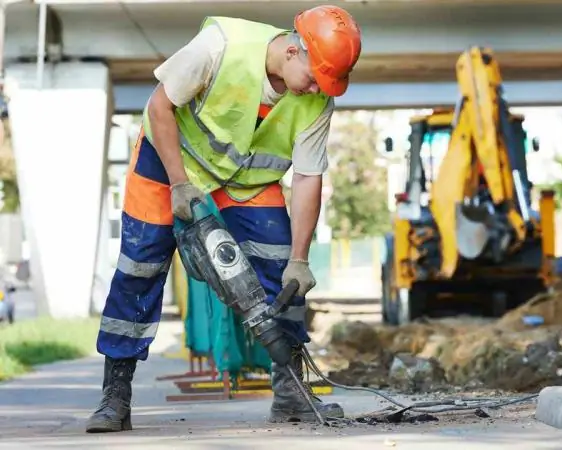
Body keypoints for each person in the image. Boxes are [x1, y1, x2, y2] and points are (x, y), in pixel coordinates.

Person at [86, 5, 362, 433]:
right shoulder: (221, 45)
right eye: (315, 77)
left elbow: (309, 178)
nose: (316, 89)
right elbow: (160, 107)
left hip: (245, 179)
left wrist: (301, 259)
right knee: (139, 269)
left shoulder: (317, 98)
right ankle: (115, 397)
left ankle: (291, 394)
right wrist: (178, 184)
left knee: (281, 268)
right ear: (293, 51)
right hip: (168, 162)